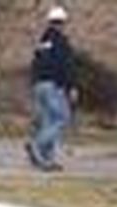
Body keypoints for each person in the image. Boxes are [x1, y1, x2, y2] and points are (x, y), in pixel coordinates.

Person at [26, 6, 76, 171]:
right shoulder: (61, 42)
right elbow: (65, 65)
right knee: (62, 118)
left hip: (39, 85)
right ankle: (37, 145)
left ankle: (47, 160)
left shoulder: (42, 42)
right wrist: (71, 87)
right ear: (63, 23)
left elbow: (35, 64)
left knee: (48, 121)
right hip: (54, 85)